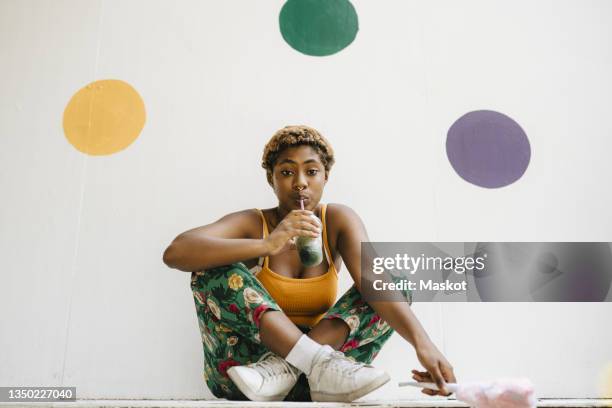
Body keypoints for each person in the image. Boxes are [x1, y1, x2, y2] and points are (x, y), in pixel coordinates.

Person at [163, 125, 456, 402]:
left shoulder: (337, 220)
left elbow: (374, 279)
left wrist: (423, 344)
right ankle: (301, 362)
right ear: (272, 179)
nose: (300, 182)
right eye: (287, 172)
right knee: (212, 267)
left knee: (395, 280)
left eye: (312, 172)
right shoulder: (255, 223)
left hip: (327, 382)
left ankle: (290, 367)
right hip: (249, 376)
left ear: (325, 177)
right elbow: (177, 251)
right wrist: (268, 244)